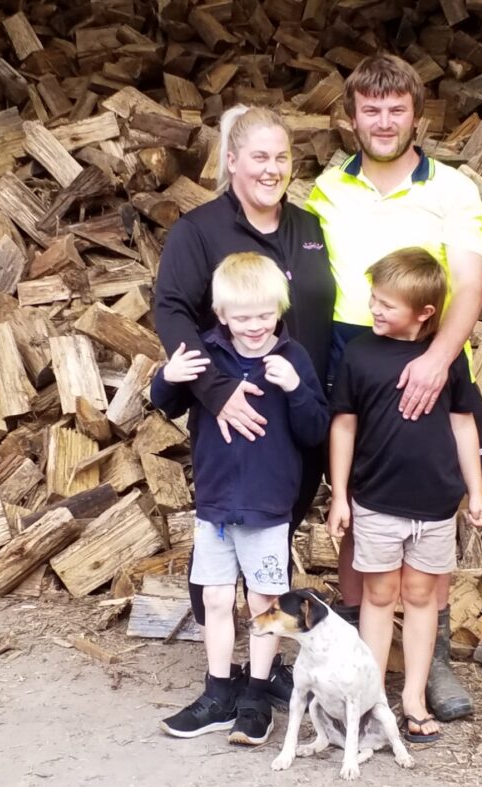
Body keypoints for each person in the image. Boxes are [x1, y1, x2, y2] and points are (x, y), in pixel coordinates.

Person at [305, 54, 482, 720]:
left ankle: (431, 664)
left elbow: (470, 284)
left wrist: (439, 358)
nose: (383, 121)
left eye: (396, 109)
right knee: (360, 511)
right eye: (370, 109)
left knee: (431, 504)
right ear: (351, 116)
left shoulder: (453, 188)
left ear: (417, 114)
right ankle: (363, 666)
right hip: (352, 353)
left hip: (430, 353)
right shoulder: (327, 189)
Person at [154, 105, 335, 733]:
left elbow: (326, 316)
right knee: (223, 559)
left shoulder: (310, 228)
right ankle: (226, 680)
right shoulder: (198, 231)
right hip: (230, 429)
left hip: (297, 423)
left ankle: (260, 676)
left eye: (282, 157)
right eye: (259, 156)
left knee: (273, 545)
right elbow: (173, 313)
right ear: (231, 160)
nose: (272, 168)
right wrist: (216, 388)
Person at [328, 248, 482, 743]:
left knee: (421, 597)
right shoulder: (358, 354)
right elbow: (344, 426)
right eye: (373, 299)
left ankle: (414, 698)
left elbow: (464, 424)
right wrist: (339, 495)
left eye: (386, 305)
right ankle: (369, 697)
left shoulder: (447, 357)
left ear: (424, 314)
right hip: (375, 501)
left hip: (435, 505)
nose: (374, 310)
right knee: (378, 596)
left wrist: (476, 490)